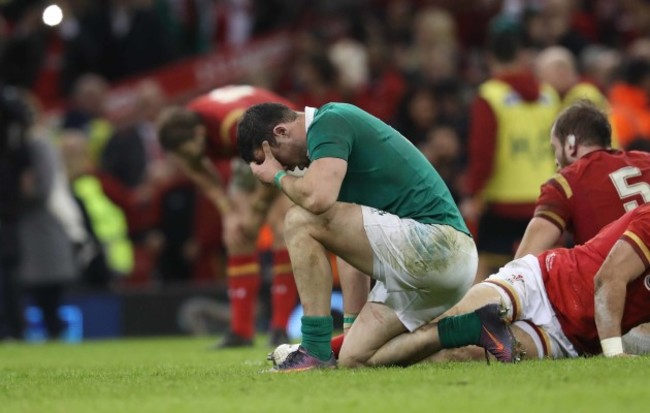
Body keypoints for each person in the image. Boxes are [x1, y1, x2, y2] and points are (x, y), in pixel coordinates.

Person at [237, 101, 478, 371]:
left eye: (274, 158)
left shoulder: (329, 121)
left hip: (439, 245)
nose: (288, 168)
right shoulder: (334, 161)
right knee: (354, 358)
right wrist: (351, 325)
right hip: (436, 267)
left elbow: (317, 198)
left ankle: (314, 349)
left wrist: (277, 176)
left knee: (299, 219)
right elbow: (350, 250)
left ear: (281, 132)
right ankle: (471, 327)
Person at [365, 202, 650, 366]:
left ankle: (357, 362)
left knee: (461, 353)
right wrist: (615, 353)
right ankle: (341, 351)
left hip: (570, 338)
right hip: (541, 281)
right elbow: (608, 279)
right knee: (444, 318)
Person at [157, 85, 299, 347]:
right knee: (236, 234)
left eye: (194, 150)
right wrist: (227, 210)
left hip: (281, 146)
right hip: (248, 155)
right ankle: (241, 331)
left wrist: (256, 212)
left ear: (201, 134)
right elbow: (195, 167)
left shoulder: (233, 126)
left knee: (282, 228)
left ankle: (279, 328)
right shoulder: (182, 130)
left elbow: (275, 164)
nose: (193, 157)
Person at [515, 100, 650, 353]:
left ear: (571, 144)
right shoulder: (646, 160)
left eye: (554, 148)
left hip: (624, 320)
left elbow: (522, 263)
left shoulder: (566, 181)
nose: (556, 160)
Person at [460, 22, 560, 281]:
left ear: (489, 56)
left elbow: (483, 152)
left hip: (502, 201)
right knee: (540, 273)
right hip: (545, 200)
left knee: (484, 271)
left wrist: (473, 193)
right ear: (523, 54)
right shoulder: (549, 95)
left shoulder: (489, 95)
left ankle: (471, 320)